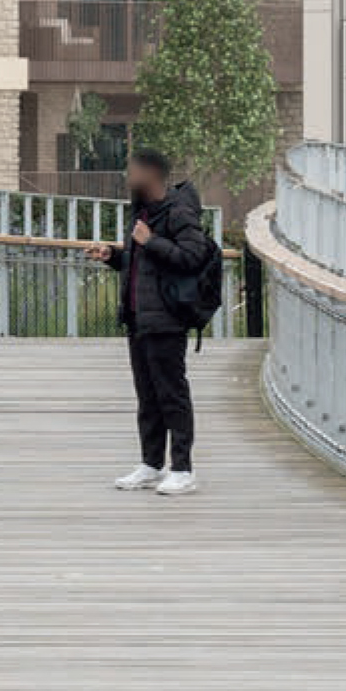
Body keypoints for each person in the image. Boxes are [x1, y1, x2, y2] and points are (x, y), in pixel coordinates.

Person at [111, 147, 218, 496]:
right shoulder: (142, 211)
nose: (127, 175)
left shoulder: (179, 211)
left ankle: (183, 469)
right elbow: (144, 263)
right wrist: (114, 257)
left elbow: (193, 256)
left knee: (172, 394)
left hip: (166, 319)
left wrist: (151, 241)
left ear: (151, 173)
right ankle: (151, 464)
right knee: (148, 396)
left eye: (132, 169)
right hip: (139, 318)